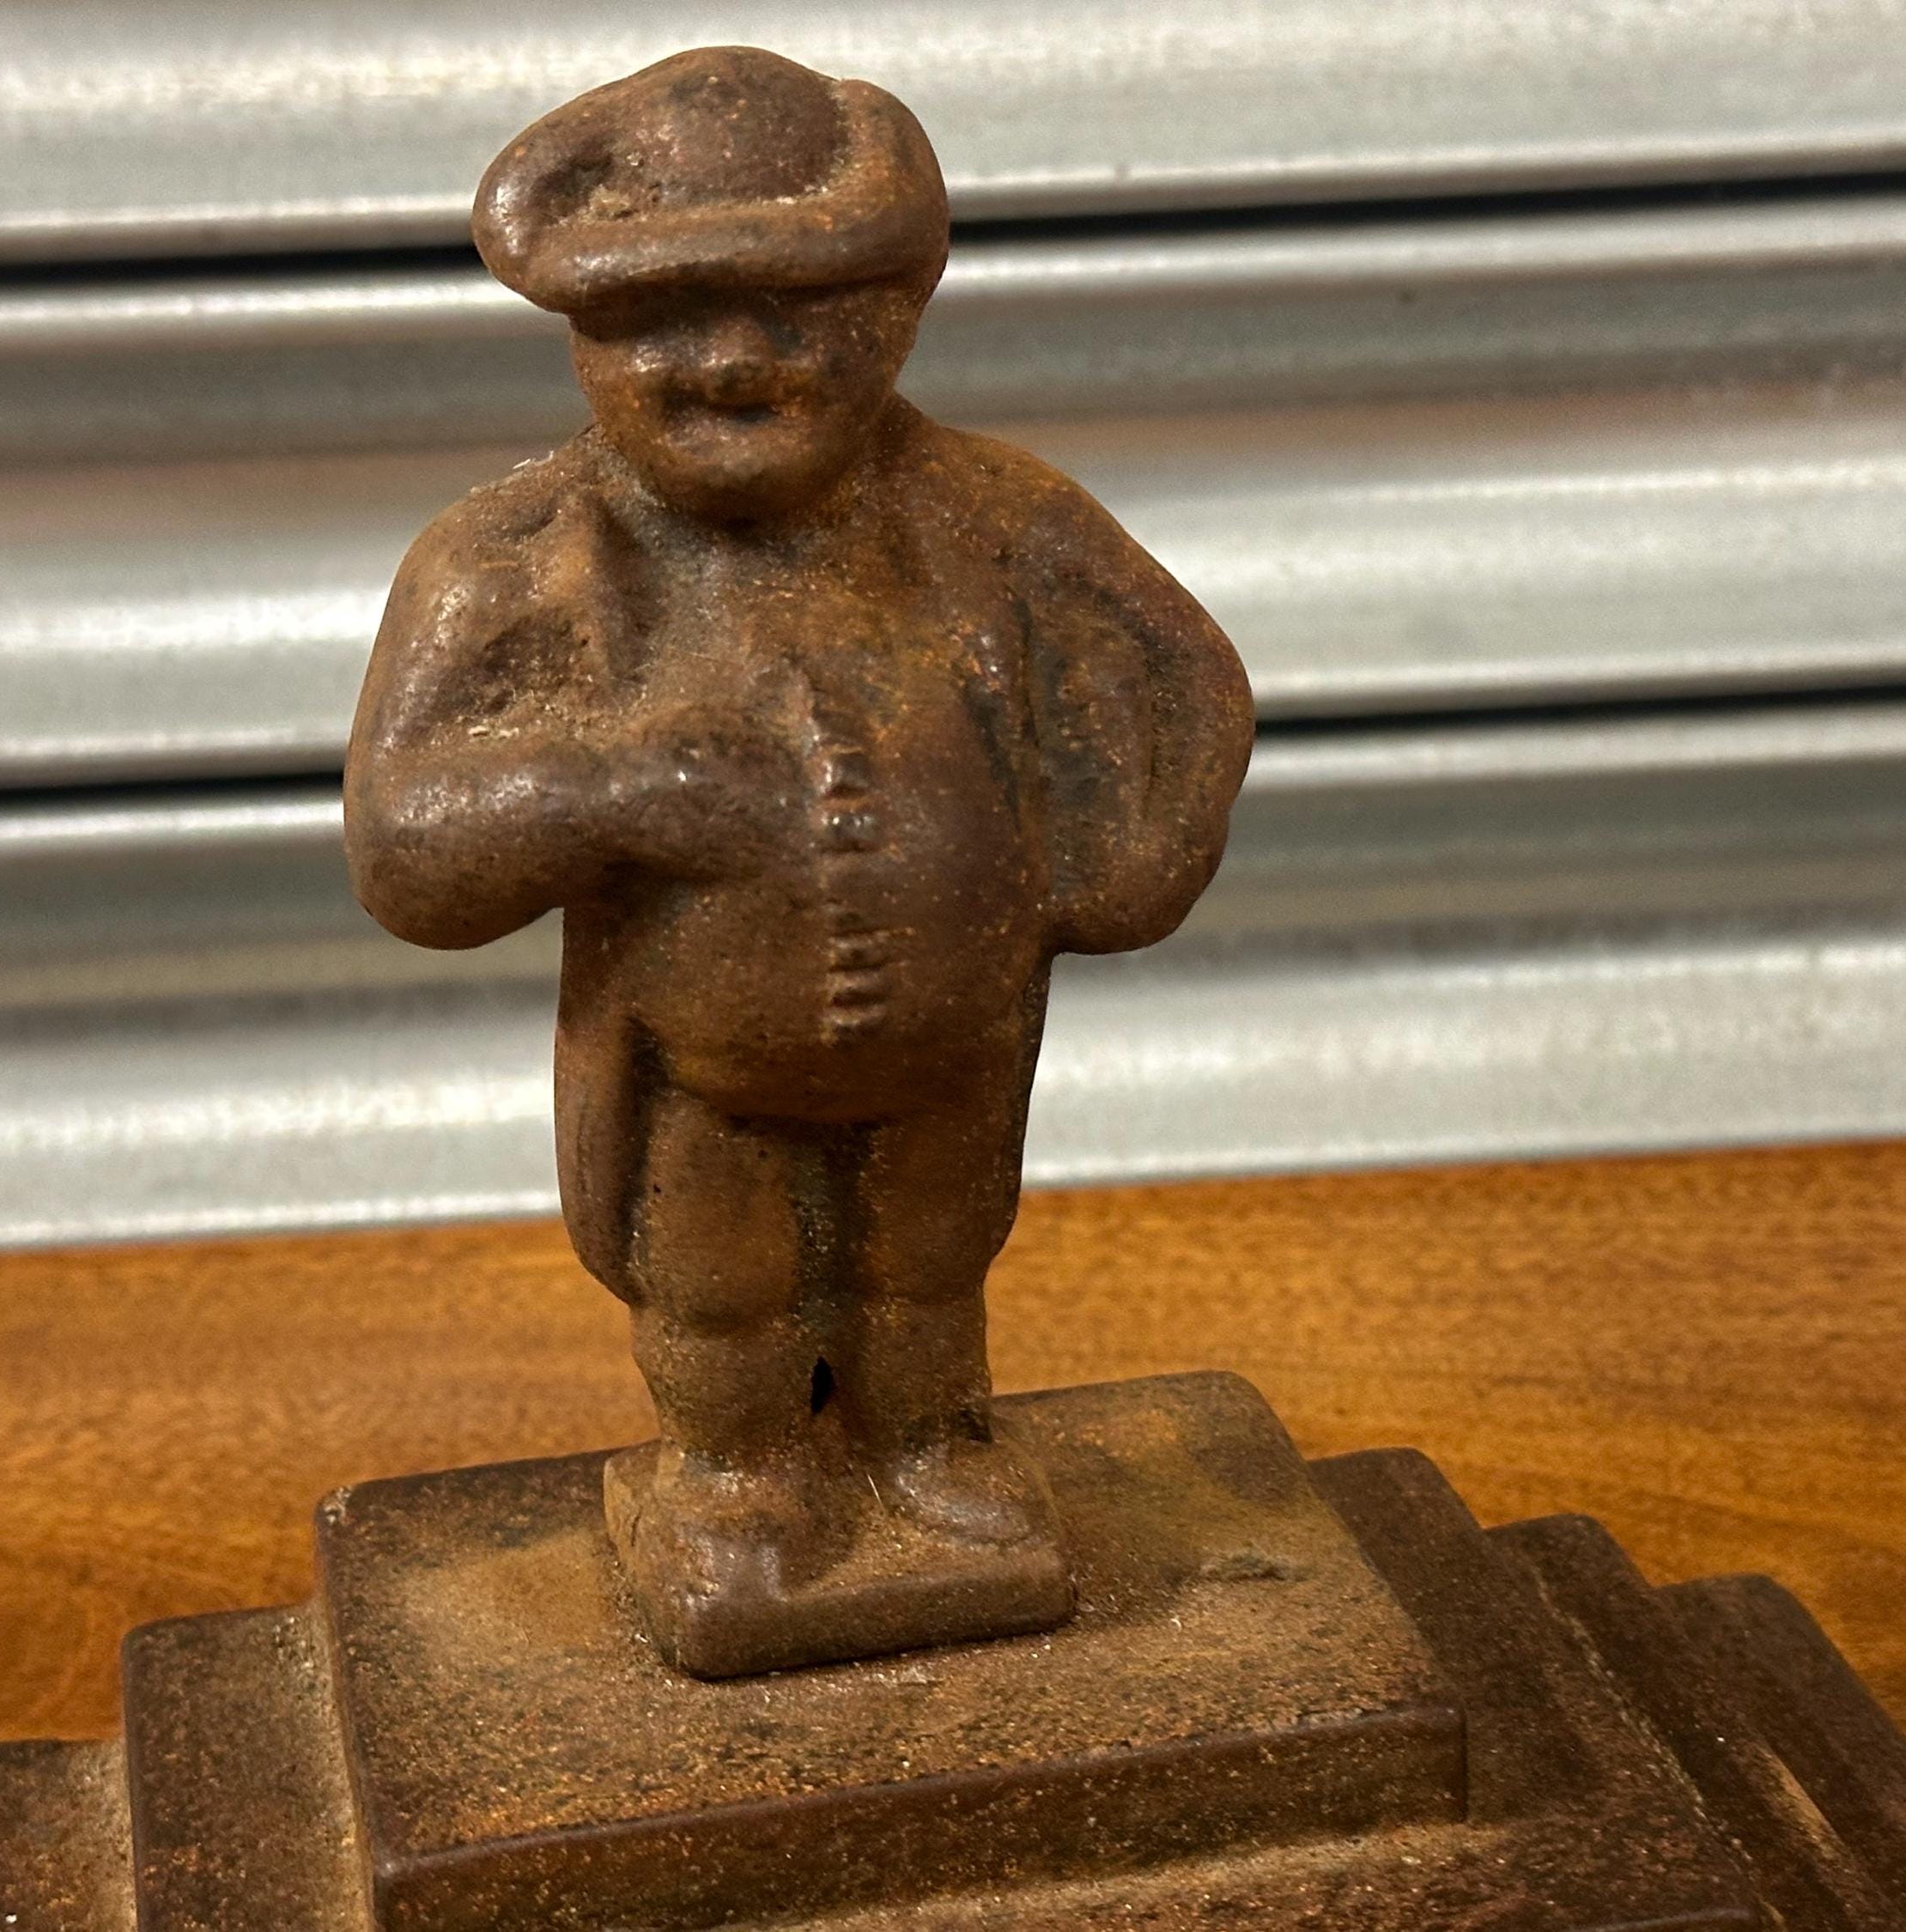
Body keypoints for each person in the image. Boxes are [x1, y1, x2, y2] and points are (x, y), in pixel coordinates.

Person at [343, 45, 1252, 1665]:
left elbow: (1184, 679)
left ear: (900, 312)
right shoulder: (518, 565)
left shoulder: (994, 517)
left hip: (956, 1048)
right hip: (699, 1071)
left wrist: (1111, 874)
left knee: (932, 1265)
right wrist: (603, 787)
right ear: (582, 331)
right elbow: (407, 849)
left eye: (802, 310)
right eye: (664, 317)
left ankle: (928, 1444)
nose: (733, 362)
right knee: (722, 1284)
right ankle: (742, 1475)